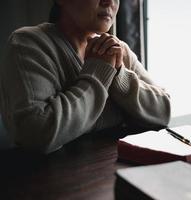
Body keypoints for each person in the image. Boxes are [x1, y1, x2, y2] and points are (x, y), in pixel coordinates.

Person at [0, 0, 171, 153]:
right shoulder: (28, 43)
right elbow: (37, 134)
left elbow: (163, 111)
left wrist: (119, 75)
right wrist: (100, 71)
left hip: (115, 173)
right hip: (49, 181)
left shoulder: (118, 50)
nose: (109, 2)